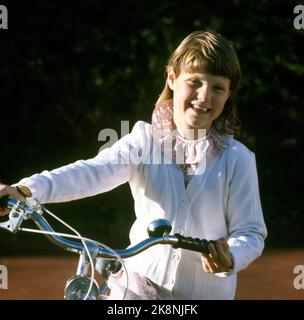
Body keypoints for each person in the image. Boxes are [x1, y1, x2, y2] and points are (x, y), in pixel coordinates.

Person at [0, 30, 267, 300]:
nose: (204, 96)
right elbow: (93, 171)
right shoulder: (143, 140)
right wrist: (27, 189)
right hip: (137, 289)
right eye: (195, 82)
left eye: (217, 88)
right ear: (172, 79)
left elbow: (251, 231)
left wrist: (230, 256)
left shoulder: (237, 158)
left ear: (228, 94)